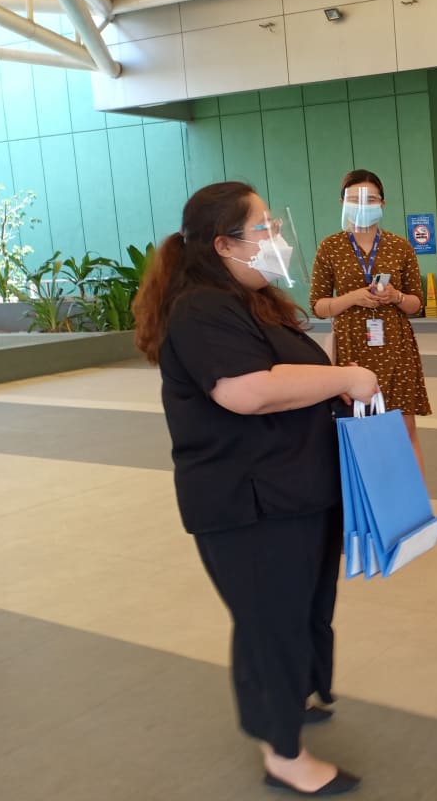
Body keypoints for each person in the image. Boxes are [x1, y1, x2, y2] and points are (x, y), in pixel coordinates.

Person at [133, 182, 378, 796]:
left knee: (299, 611)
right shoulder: (200, 309)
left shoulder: (253, 300)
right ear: (223, 244)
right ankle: (283, 754)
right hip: (249, 503)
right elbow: (244, 391)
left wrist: (330, 383)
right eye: (264, 227)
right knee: (271, 621)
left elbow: (285, 371)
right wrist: (342, 376)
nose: (278, 238)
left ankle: (293, 698)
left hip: (294, 490)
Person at [310, 169, 432, 475]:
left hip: (396, 349)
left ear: (383, 203)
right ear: (342, 202)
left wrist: (395, 297)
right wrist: (352, 297)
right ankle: (368, 511)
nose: (363, 205)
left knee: (405, 432)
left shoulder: (400, 246)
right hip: (351, 350)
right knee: (358, 434)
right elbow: (319, 306)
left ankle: (414, 512)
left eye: (371, 198)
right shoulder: (330, 246)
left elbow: (417, 303)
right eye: (354, 199)